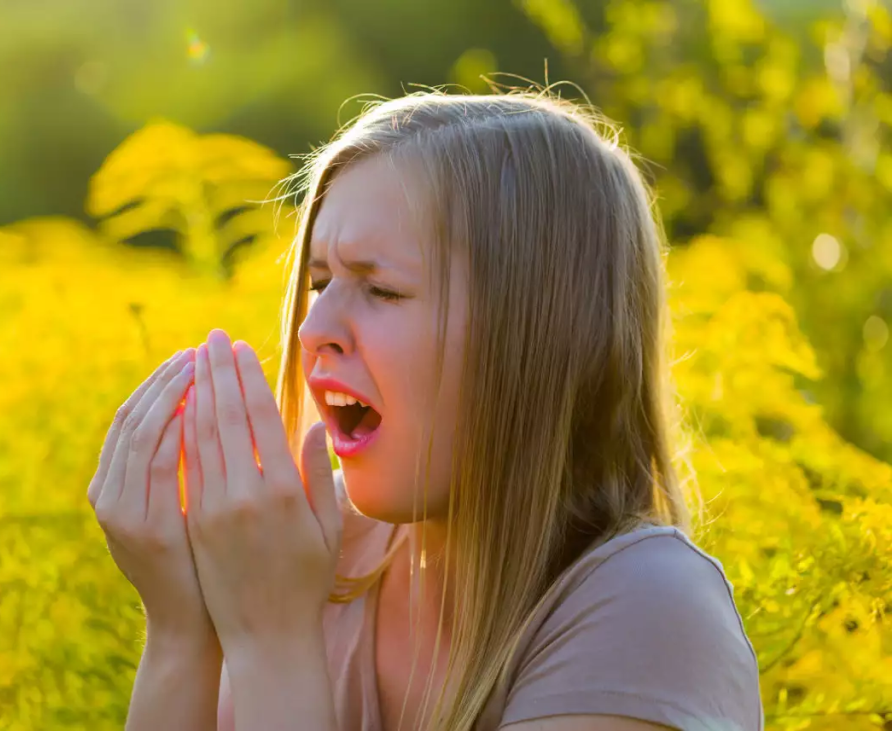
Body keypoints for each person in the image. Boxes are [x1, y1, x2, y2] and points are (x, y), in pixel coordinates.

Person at [87, 89, 764, 731]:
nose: (312, 329)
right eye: (319, 282)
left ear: (537, 336)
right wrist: (182, 629)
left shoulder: (645, 606)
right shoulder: (316, 555)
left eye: (380, 290)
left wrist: (273, 638)